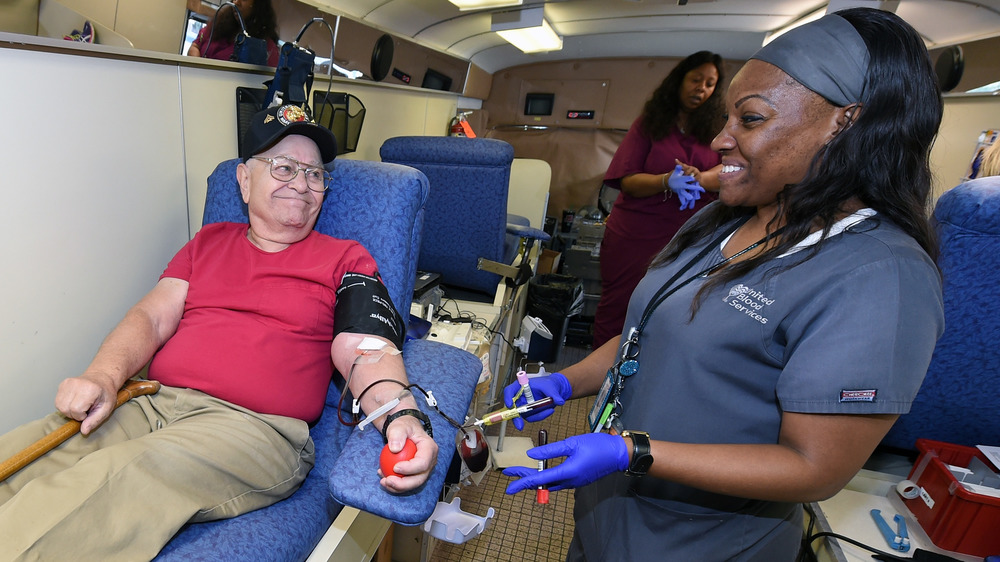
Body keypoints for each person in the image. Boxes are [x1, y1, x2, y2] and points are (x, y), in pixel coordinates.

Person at [502, 8, 945, 561]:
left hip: (700, 544)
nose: (719, 139)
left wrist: (630, 451)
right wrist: (567, 383)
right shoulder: (722, 221)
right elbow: (647, 334)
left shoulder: (880, 274)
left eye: (751, 119)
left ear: (844, 123)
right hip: (608, 516)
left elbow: (813, 469)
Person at [0, 103, 437, 560]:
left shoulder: (347, 258)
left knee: (119, 476)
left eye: (314, 174)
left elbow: (364, 346)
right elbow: (151, 317)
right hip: (150, 401)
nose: (302, 185)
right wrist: (103, 377)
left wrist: (402, 417)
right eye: (284, 167)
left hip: (255, 430)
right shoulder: (206, 243)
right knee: (29, 453)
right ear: (245, 181)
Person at [592, 51, 726, 348]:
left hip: (689, 238)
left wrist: (702, 177)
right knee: (619, 308)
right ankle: (602, 383)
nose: (701, 88)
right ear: (679, 80)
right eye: (695, 80)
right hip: (635, 235)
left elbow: (729, 168)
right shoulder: (650, 124)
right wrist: (666, 180)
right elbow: (628, 180)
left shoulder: (718, 129)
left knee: (676, 311)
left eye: (709, 83)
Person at [187, 0, 280, 67]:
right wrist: (199, 66)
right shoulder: (218, 24)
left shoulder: (265, 47)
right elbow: (195, 46)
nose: (236, 2)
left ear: (258, 4)